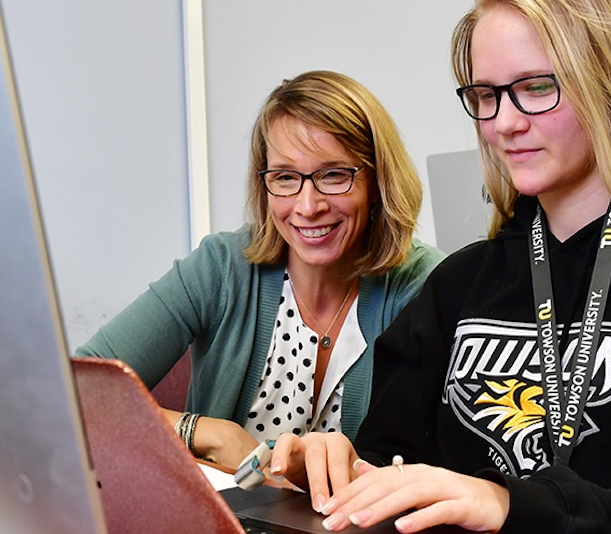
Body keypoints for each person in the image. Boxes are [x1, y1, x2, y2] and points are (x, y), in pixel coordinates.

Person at [272, 0, 611, 534]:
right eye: (486, 95)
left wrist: (507, 504)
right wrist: (340, 466)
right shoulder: (457, 284)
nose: (505, 122)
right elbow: (391, 470)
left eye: (536, 87)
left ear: (609, 83)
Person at [76, 70, 444, 469]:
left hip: (352, 530)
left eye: (333, 175)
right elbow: (76, 392)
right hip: (218, 524)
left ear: (377, 181)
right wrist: (209, 432)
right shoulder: (222, 267)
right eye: (286, 178)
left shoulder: (426, 285)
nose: (307, 206)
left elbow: (431, 466)